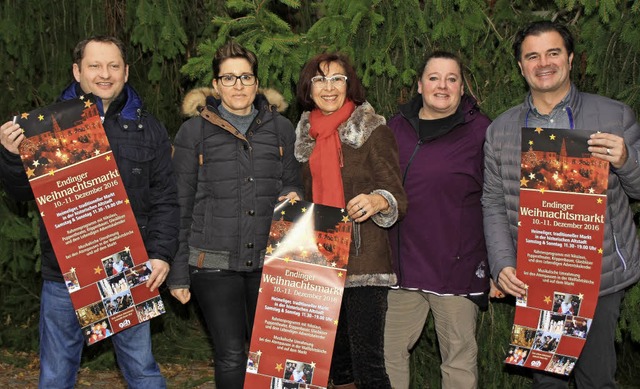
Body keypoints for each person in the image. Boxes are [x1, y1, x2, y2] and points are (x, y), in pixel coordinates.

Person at [0, 36, 178, 388]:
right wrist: (9, 155)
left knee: (142, 370)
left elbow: (166, 199)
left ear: (126, 72)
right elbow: (21, 195)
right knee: (55, 374)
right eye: (94, 66)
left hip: (127, 268)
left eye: (113, 66)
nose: (105, 74)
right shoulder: (44, 125)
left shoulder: (149, 128)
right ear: (77, 71)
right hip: (64, 273)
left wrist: (161, 255)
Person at [482, 20, 640, 388]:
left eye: (553, 52)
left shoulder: (613, 116)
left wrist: (626, 159)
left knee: (596, 380)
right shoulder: (502, 130)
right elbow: (492, 203)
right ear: (521, 67)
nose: (543, 63)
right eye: (532, 56)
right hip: (540, 278)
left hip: (599, 277)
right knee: (548, 381)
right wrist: (502, 263)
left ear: (569, 59)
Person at [166, 41, 302, 389]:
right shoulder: (193, 132)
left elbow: (292, 183)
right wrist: (178, 274)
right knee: (230, 355)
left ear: (257, 83)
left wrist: (293, 195)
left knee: (272, 353)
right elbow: (179, 204)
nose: (238, 85)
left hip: (269, 262)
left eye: (245, 77)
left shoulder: (282, 128)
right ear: (215, 85)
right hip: (212, 263)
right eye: (229, 78)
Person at [294, 52, 407, 389]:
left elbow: (397, 195)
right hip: (319, 258)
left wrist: (377, 200)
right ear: (308, 87)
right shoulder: (305, 135)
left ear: (350, 84)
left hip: (363, 262)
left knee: (367, 363)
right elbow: (305, 193)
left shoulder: (372, 130)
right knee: (336, 361)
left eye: (337, 79)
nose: (329, 88)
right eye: (320, 79)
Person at [384, 51, 492, 389]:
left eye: (451, 79)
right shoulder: (394, 128)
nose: (441, 86)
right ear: (419, 85)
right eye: (433, 77)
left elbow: (499, 200)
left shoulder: (482, 132)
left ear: (462, 88)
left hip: (457, 268)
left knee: (458, 362)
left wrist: (502, 263)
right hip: (403, 268)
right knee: (387, 354)